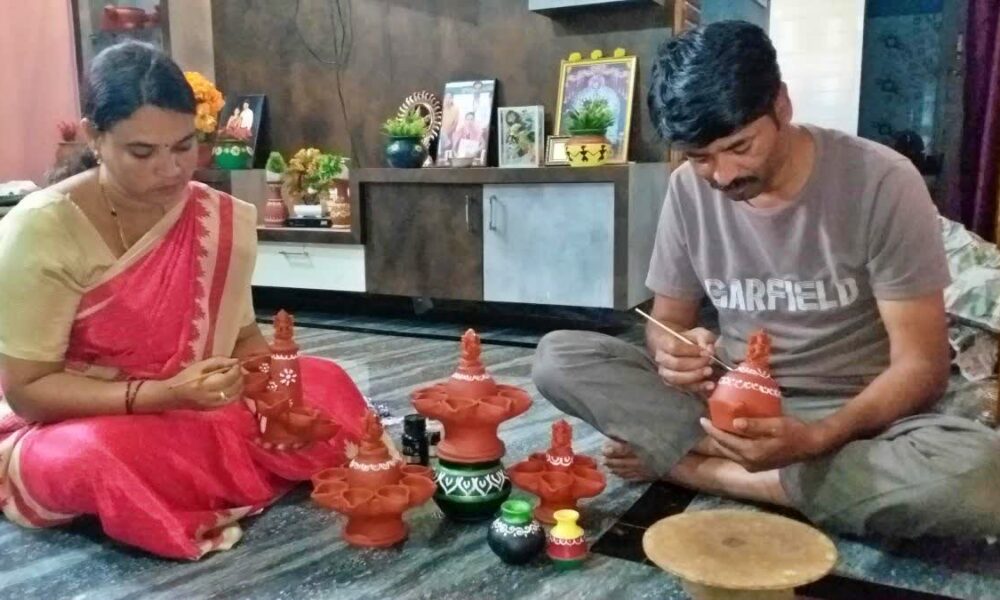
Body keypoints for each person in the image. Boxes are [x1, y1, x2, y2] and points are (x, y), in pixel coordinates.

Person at [532, 21, 1000, 539]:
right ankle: (804, 479)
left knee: (983, 477)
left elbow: (922, 367)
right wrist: (675, 350)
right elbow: (666, 323)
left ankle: (699, 469)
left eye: (740, 146)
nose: (723, 176)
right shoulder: (688, 189)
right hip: (730, 402)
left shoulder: (882, 181)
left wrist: (817, 438)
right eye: (700, 157)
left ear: (782, 105)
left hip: (855, 413)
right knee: (559, 357)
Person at [0, 41, 367, 559]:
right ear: (94, 137)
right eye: (143, 152)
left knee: (325, 381)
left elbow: (242, 337)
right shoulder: (41, 228)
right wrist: (162, 395)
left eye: (184, 145)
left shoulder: (217, 217)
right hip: (90, 417)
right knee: (95, 456)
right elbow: (29, 391)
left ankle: (210, 468)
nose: (171, 169)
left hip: (197, 401)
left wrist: (274, 390)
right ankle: (211, 474)